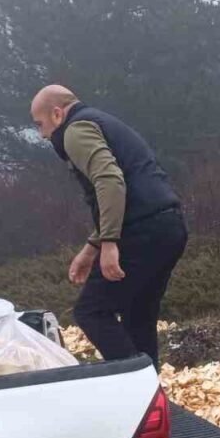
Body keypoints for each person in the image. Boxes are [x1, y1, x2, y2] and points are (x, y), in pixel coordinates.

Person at [30, 84, 187, 368]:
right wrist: (92, 249)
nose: (42, 134)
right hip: (168, 225)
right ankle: (149, 399)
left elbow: (110, 181)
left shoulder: (75, 130)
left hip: (142, 230)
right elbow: (123, 188)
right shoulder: (102, 121)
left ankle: (133, 384)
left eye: (40, 124)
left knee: (91, 312)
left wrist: (111, 242)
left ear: (56, 113)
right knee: (138, 315)